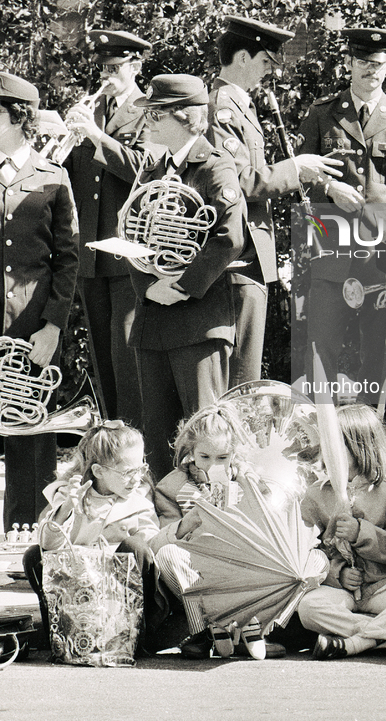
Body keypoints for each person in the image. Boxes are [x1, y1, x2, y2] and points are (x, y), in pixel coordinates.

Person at [207, 15, 342, 386]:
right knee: (240, 376)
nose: (268, 72)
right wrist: (295, 168)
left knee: (246, 370)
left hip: (250, 255)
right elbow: (239, 183)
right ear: (243, 58)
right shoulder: (221, 106)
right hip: (238, 257)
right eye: (266, 62)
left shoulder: (238, 105)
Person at [297, 27, 386, 399]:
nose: (370, 70)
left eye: (378, 63)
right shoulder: (322, 114)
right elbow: (298, 176)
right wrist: (329, 188)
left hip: (383, 260)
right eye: (363, 63)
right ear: (350, 64)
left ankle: (370, 442)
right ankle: (317, 440)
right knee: (320, 353)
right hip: (331, 255)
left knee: (378, 357)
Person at [128, 74, 246, 481]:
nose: (148, 123)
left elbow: (230, 238)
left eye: (157, 115)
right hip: (155, 317)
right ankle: (165, 520)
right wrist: (149, 287)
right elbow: (132, 232)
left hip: (197, 319)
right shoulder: (153, 168)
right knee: (159, 434)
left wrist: (180, 286)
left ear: (188, 118)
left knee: (206, 436)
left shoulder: (215, 165)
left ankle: (210, 525)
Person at [0, 72, 79, 531]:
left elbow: (66, 261)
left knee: (30, 439)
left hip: (31, 328)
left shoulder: (53, 177)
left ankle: (25, 538)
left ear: (17, 117)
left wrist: (52, 326)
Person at [151, 402, 287, 660]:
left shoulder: (249, 480)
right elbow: (156, 545)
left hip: (240, 566)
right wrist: (185, 525)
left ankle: (253, 627)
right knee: (168, 555)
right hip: (198, 568)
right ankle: (204, 630)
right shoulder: (172, 486)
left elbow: (275, 528)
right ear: (191, 451)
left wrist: (249, 488)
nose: (213, 465)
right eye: (205, 457)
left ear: (234, 454)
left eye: (222, 458)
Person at [64, 29, 152, 427]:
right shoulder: (91, 111)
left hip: (127, 250)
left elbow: (142, 168)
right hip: (92, 255)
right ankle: (113, 442)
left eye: (115, 68)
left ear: (135, 66)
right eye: (102, 68)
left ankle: (135, 450)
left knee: (127, 360)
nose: (106, 76)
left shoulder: (149, 110)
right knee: (103, 361)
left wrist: (97, 137)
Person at [297, 403, 386, 659]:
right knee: (308, 607)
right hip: (338, 591)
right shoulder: (315, 494)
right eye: (326, 445)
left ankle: (357, 643)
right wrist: (338, 573)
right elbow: (306, 553)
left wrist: (361, 533)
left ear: (360, 447)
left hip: (383, 586)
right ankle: (378, 635)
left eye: (336, 447)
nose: (327, 453)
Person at [23, 420, 161, 647]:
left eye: (141, 468)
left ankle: (136, 635)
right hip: (76, 585)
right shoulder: (71, 493)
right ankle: (59, 634)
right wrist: (67, 508)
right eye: (128, 472)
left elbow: (150, 544)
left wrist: (116, 548)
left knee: (137, 548)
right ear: (98, 471)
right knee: (33, 555)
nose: (137, 478)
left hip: (118, 594)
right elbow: (48, 544)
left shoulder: (138, 500)